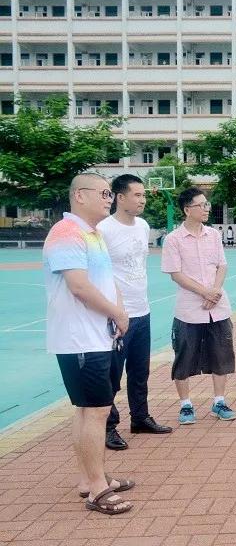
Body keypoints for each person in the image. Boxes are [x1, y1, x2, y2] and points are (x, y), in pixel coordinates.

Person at [44, 173, 134, 515]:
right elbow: (79, 287)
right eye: (104, 193)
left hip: (98, 336)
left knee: (89, 408)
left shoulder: (92, 234)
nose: (109, 198)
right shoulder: (66, 232)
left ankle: (89, 478)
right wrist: (117, 314)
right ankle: (98, 487)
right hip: (79, 339)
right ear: (80, 196)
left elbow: (108, 282)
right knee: (95, 410)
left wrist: (119, 312)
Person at [98, 174, 172, 451]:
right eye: (137, 195)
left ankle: (140, 418)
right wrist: (115, 310)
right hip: (117, 314)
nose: (142, 200)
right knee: (112, 375)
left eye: (143, 195)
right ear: (120, 197)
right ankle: (108, 426)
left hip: (142, 310)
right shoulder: (104, 229)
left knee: (140, 371)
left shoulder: (142, 226)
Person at [161, 187, 236, 424]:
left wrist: (214, 292)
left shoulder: (213, 235)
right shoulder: (173, 239)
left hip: (218, 308)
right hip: (189, 310)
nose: (206, 209)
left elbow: (221, 266)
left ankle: (219, 401)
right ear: (186, 209)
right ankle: (185, 405)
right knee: (184, 357)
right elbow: (175, 274)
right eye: (201, 205)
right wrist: (205, 292)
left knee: (222, 355)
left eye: (207, 205)